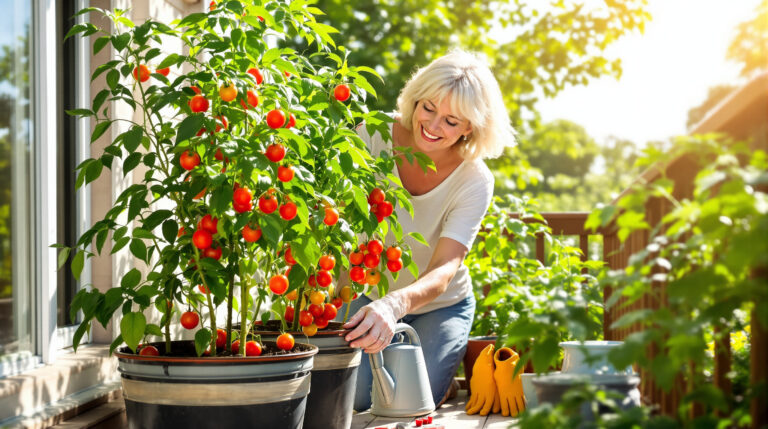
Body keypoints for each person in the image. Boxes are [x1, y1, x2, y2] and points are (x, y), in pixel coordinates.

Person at [341, 49, 515, 411]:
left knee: (408, 400)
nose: (434, 126)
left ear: (471, 127)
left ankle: (442, 371)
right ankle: (423, 365)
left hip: (441, 306)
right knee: (357, 398)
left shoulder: (474, 179)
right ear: (415, 99)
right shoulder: (373, 134)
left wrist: (395, 304)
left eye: (452, 121)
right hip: (371, 296)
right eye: (428, 108)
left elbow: (444, 268)